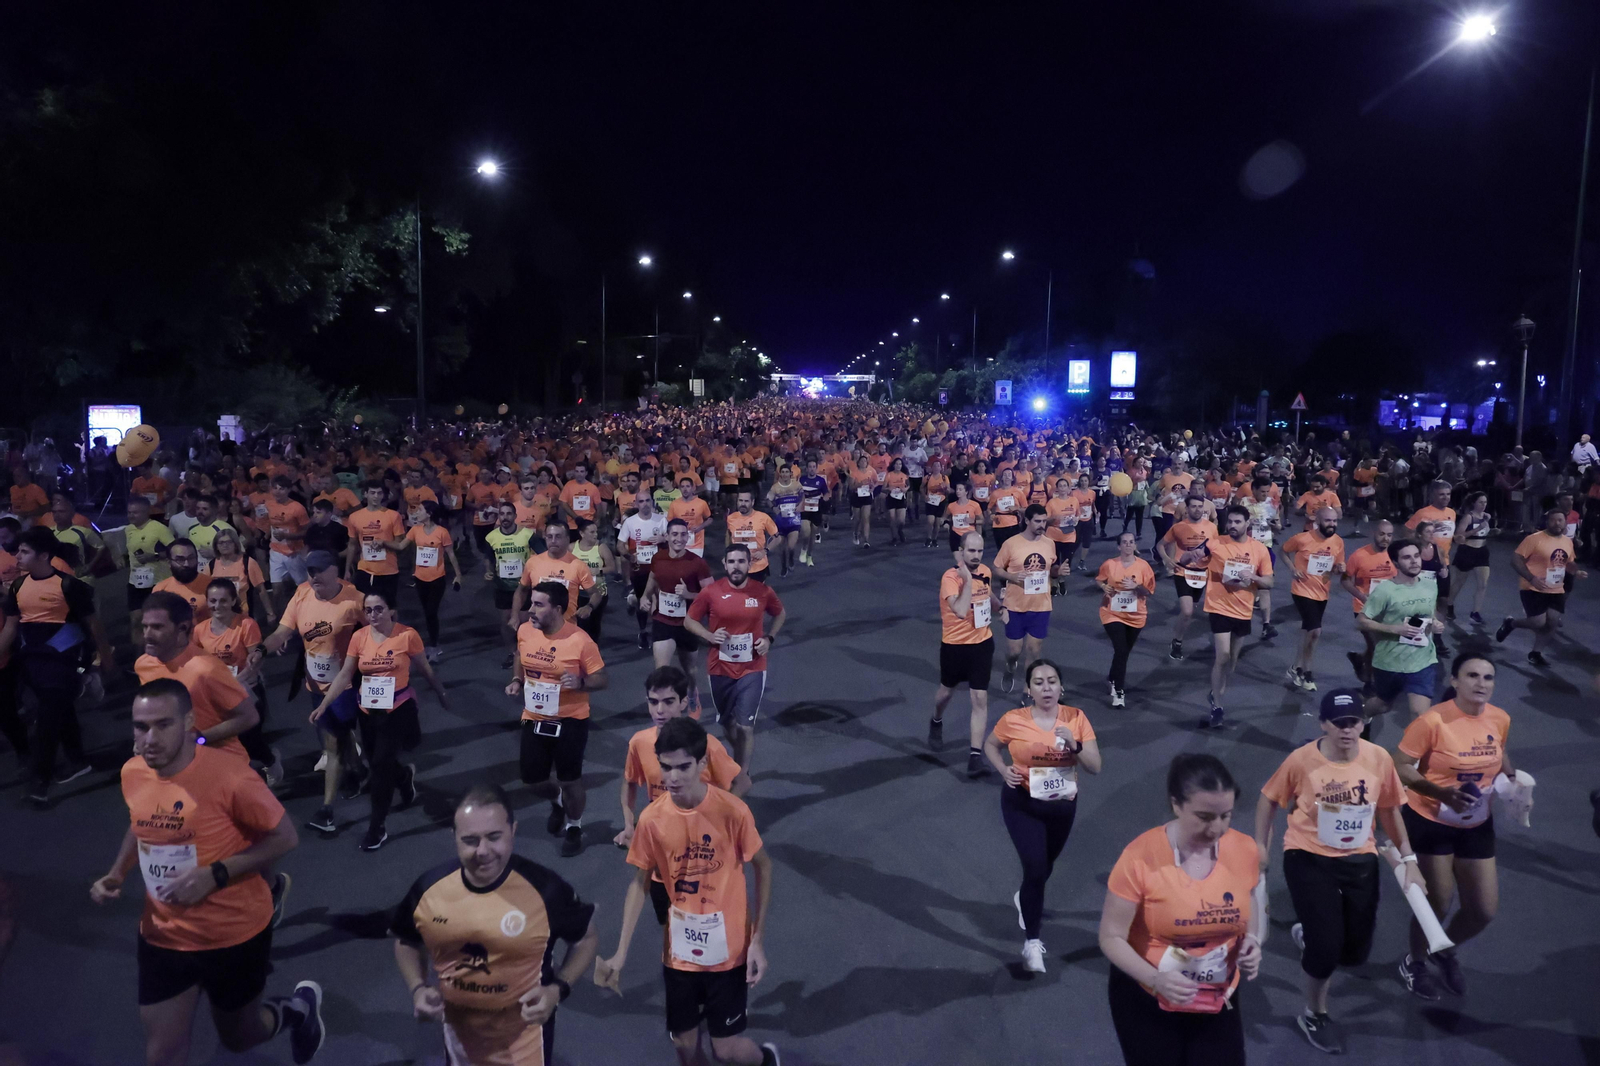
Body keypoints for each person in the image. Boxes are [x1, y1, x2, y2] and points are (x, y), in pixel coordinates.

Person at [89, 679, 325, 1066]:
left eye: (163, 725)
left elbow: (285, 837)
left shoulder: (231, 777)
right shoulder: (134, 772)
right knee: (163, 1054)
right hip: (163, 935)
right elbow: (140, 823)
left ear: (188, 722)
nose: (150, 739)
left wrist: (215, 875)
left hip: (233, 934)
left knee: (240, 1037)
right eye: (141, 727)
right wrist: (117, 872)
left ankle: (299, 1010)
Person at [593, 716, 781, 1066]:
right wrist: (620, 953)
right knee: (684, 1045)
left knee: (725, 1050)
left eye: (683, 767)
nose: (673, 777)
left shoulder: (733, 812)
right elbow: (640, 882)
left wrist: (758, 939)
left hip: (729, 952)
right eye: (666, 767)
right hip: (680, 950)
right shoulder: (652, 820)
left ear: (702, 763)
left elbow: (764, 867)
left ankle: (766, 1059)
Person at [1255, 689, 1426, 1053]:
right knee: (1326, 950)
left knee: (1354, 953)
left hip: (1359, 858)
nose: (1347, 730)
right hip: (1307, 855)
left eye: (1354, 723)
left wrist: (1409, 860)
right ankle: (1314, 1014)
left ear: (1363, 724)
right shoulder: (1302, 760)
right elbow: (1268, 798)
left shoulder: (1378, 758)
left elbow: (1389, 809)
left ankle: (1310, 933)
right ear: (1323, 724)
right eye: (1339, 723)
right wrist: (1260, 848)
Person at [392, 783, 599, 1066]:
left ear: (513, 831)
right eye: (470, 840)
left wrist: (557, 989)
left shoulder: (545, 891)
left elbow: (585, 939)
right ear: (454, 837)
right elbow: (406, 940)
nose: (483, 851)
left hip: (526, 1045)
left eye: (494, 837)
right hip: (459, 1043)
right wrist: (417, 987)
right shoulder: (428, 889)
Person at [1098, 754, 1262, 1066]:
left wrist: (1252, 939)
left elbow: (1249, 900)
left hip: (1217, 994)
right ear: (1176, 805)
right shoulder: (1139, 858)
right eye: (1204, 817)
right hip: (1148, 996)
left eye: (1226, 816)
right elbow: (1111, 937)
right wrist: (1155, 979)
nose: (1216, 829)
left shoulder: (1244, 849)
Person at [1393, 654, 1514, 1001]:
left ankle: (1443, 950)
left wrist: (1514, 780)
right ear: (1455, 681)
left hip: (1476, 823)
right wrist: (1439, 792)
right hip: (1431, 821)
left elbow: (1500, 751)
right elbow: (1399, 765)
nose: (1481, 683)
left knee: (1483, 910)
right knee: (1439, 903)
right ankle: (1415, 961)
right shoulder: (1432, 721)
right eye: (1472, 675)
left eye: (1488, 677)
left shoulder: (1500, 718)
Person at [982, 659, 1102, 973]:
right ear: (1028, 689)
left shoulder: (1076, 718)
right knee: (1035, 867)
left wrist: (1075, 745)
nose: (1046, 688)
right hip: (1022, 803)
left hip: (1062, 806)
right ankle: (1032, 942)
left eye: (1052, 681)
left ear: (1061, 687)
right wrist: (1003, 770)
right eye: (1038, 682)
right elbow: (991, 745)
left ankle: (1026, 896)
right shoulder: (1013, 720)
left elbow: (1095, 766)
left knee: (1044, 866)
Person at [312, 589, 450, 851]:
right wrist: (324, 703)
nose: (373, 614)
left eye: (378, 609)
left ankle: (377, 827)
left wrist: (441, 693)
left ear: (391, 611)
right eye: (368, 610)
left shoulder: (407, 635)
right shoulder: (359, 637)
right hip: (368, 711)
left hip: (397, 709)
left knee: (379, 767)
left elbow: (425, 668)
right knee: (379, 762)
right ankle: (404, 776)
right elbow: (345, 674)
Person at [1, 527, 116, 806]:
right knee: (60, 711)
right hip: (33, 662)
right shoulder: (17, 587)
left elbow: (94, 626)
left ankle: (39, 783)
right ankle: (78, 761)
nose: (17, 556)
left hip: (65, 661)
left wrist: (106, 660)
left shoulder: (68, 586)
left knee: (47, 719)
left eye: (24, 552)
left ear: (43, 555)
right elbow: (11, 628)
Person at [261, 551, 366, 832]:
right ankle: (358, 773)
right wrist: (260, 650)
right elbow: (281, 633)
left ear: (335, 571)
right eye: (310, 570)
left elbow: (377, 632)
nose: (314, 575)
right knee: (340, 736)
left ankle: (328, 808)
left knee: (334, 742)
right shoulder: (301, 594)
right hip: (315, 685)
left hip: (344, 685)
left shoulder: (354, 599)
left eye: (319, 570)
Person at [508, 581, 607, 858]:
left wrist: (581, 682)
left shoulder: (580, 641)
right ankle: (557, 801)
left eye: (538, 604)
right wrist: (517, 679)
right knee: (532, 780)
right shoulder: (525, 630)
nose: (530, 609)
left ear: (558, 609)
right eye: (531, 602)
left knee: (571, 781)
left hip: (570, 720)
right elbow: (520, 655)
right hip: (534, 716)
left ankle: (574, 826)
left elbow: (602, 678)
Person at [616, 666, 751, 852]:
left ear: (683, 702)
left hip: (702, 836)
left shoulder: (707, 745)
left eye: (668, 702)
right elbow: (629, 781)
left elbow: (743, 782)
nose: (660, 710)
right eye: (653, 702)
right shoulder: (639, 743)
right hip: (663, 830)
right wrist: (629, 824)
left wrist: (718, 816)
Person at [683, 543, 786, 775]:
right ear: (724, 564)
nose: (736, 566)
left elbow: (780, 613)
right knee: (727, 722)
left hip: (753, 667)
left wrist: (769, 638)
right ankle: (739, 758)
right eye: (731, 562)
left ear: (749, 564)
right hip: (719, 668)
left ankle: (742, 773)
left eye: (741, 561)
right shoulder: (711, 592)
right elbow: (689, 621)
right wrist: (709, 635)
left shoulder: (762, 591)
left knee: (745, 726)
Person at [1180, 504, 1274, 728]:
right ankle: (1217, 705)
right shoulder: (1214, 543)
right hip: (1218, 606)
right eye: (1230, 521)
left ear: (1247, 524)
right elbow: (1184, 561)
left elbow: (1270, 582)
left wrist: (1253, 577)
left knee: (1231, 662)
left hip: (1243, 609)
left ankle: (1216, 694)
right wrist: (1190, 555)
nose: (1232, 525)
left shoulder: (1260, 550)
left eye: (1237, 522)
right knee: (1222, 655)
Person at [194, 578, 279, 785]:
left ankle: (271, 761)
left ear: (233, 601)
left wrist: (233, 683)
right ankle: (241, 784)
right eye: (213, 601)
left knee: (250, 741)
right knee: (229, 743)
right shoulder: (200, 630)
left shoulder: (246, 625)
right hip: (216, 695)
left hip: (247, 690)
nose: (217, 606)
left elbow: (254, 663)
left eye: (223, 601)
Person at [932, 531, 1005, 775]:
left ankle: (975, 757)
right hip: (954, 647)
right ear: (961, 551)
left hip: (981, 643)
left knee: (980, 698)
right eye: (971, 551)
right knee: (945, 693)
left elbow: (987, 591)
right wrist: (967, 580)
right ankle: (936, 720)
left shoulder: (984, 571)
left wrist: (1000, 607)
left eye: (980, 551)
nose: (976, 556)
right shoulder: (950, 578)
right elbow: (961, 611)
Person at [1357, 538, 1442, 731]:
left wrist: (1435, 623)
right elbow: (1361, 621)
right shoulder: (1385, 590)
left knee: (1420, 715)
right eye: (1407, 558)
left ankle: (1413, 751)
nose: (1414, 561)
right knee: (1383, 704)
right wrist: (1394, 629)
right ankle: (1363, 714)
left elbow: (1430, 613)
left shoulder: (1430, 585)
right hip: (1390, 661)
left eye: (1416, 556)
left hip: (1423, 661)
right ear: (1396, 563)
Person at [1496, 507, 1586, 667]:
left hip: (1556, 588)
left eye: (1560, 520)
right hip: (1533, 587)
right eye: (1553, 520)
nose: (1557, 523)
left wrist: (1576, 571)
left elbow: (1568, 562)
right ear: (1547, 522)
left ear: (1565, 522)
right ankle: (1511, 624)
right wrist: (1531, 578)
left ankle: (1536, 653)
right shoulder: (1534, 539)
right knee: (1538, 622)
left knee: (1552, 621)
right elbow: (1515, 560)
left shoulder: (1567, 541)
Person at [991, 505, 1056, 693]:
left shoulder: (1049, 543)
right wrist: (1011, 577)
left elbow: (1050, 569)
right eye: (1037, 521)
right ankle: (1010, 666)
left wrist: (1059, 571)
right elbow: (996, 568)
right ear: (1027, 521)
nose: (1042, 525)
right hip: (1015, 606)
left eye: (1044, 521)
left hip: (1041, 605)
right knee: (1014, 651)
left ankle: (1028, 690)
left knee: (1034, 651)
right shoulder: (1011, 544)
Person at [1281, 507, 1346, 693]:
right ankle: (1307, 672)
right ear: (1318, 521)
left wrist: (1340, 569)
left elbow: (1336, 567)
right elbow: (1283, 551)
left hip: (1322, 592)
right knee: (1315, 631)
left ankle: (1295, 667)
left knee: (1307, 631)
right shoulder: (1302, 538)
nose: (1332, 524)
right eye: (1328, 520)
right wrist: (1293, 569)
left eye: (1334, 521)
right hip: (1301, 590)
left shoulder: (1338, 542)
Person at [1096, 532, 1156, 707]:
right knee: (1121, 650)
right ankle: (1119, 692)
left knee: (1123, 652)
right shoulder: (1110, 564)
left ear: (1135, 545)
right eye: (1124, 542)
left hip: (1136, 616)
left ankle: (1112, 678)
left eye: (1131, 542)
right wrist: (1104, 587)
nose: (1128, 545)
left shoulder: (1144, 567)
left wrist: (1137, 586)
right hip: (1112, 613)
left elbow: (1149, 592)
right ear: (1119, 546)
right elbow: (1099, 580)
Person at [1156, 495, 1217, 662]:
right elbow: (1160, 545)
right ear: (1187, 509)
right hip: (1182, 571)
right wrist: (1167, 559)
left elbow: (1215, 549)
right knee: (1187, 611)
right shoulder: (1179, 527)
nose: (1197, 510)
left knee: (1191, 610)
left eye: (1200, 506)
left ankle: (1177, 637)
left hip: (1202, 573)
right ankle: (1177, 642)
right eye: (1194, 506)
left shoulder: (1212, 528)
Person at [512, 521, 597, 630]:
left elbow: (595, 593)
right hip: (537, 626)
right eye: (549, 536)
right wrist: (514, 615)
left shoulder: (578, 565)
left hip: (566, 627)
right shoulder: (533, 562)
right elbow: (521, 590)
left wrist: (589, 607)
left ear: (567, 539)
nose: (553, 541)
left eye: (558, 537)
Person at [405, 499, 461, 661]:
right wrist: (383, 543)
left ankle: (435, 646)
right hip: (420, 578)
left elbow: (451, 554)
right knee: (428, 613)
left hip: (437, 579)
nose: (417, 512)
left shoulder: (442, 532)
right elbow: (401, 546)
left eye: (420, 510)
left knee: (431, 611)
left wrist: (458, 575)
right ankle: (433, 642)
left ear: (429, 514)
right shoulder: (415, 530)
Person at [485, 503, 536, 666]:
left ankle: (525, 653)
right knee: (506, 622)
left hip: (523, 586)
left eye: (508, 514)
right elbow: (489, 558)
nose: (505, 517)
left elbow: (543, 553)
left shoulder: (527, 534)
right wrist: (488, 571)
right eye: (502, 514)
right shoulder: (491, 537)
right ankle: (512, 653)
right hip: (503, 587)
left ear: (515, 516)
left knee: (524, 622)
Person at [620, 488, 669, 649]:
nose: (645, 504)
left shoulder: (661, 520)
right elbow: (620, 544)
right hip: (639, 568)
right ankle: (642, 631)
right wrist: (629, 556)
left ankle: (658, 630)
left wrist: (663, 538)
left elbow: (673, 538)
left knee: (660, 599)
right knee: (643, 601)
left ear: (652, 502)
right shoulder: (630, 522)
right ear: (636, 504)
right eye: (641, 501)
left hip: (659, 567)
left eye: (648, 500)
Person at [344, 481, 408, 603]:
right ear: (365, 494)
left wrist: (383, 542)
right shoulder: (354, 517)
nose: (376, 496)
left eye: (379, 493)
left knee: (389, 606)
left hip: (388, 568)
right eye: (372, 493)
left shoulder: (393, 516)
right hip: (364, 569)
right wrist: (347, 569)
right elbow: (352, 544)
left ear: (383, 495)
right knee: (364, 605)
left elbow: (400, 544)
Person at [124, 494, 175, 638]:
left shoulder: (159, 529)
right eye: (129, 512)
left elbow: (174, 550)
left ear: (146, 512)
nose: (131, 516)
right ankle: (139, 651)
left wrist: (154, 556)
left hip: (157, 582)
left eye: (135, 512)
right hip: (135, 582)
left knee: (159, 621)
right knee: (136, 621)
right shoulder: (128, 530)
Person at [205, 527, 274, 628]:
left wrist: (270, 613)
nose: (225, 545)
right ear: (216, 546)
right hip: (218, 617)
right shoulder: (211, 565)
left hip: (243, 616)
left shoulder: (248, 562)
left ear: (235, 544)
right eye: (221, 543)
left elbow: (261, 590)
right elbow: (204, 591)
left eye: (229, 542)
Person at [1445, 493, 1492, 626]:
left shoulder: (1486, 517)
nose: (1483, 505)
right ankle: (1449, 604)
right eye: (1480, 502)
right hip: (1467, 551)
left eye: (1485, 502)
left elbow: (1484, 533)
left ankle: (1475, 613)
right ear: (1474, 503)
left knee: (1483, 584)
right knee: (1459, 581)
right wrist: (1477, 529)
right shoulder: (1468, 517)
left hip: (1482, 552)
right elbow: (1459, 536)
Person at [570, 519, 615, 644]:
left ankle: (593, 647)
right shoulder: (572, 548)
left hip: (598, 591)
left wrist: (599, 570)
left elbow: (612, 567)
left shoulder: (601, 547)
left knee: (594, 623)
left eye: (596, 532)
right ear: (582, 533)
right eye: (592, 532)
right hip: (578, 592)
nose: (595, 535)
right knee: (580, 623)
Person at [154, 539, 215, 624]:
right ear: (169, 562)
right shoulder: (160, 589)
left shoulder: (213, 586)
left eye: (191, 558)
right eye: (180, 560)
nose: (187, 564)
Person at [725, 491, 780, 583]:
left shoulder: (763, 517)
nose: (743, 504)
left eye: (746, 501)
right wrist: (727, 554)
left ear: (752, 502)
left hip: (758, 566)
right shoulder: (731, 518)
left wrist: (765, 551)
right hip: (738, 566)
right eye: (740, 500)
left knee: (757, 592)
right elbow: (729, 536)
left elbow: (777, 538)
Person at [767, 464, 805, 572]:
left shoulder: (796, 485)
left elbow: (803, 495)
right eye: (782, 472)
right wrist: (773, 508)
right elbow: (768, 499)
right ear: (780, 474)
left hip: (794, 520)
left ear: (790, 474)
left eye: (786, 472)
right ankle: (784, 566)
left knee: (791, 546)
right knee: (782, 548)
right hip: (781, 521)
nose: (784, 474)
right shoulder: (775, 487)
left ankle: (791, 558)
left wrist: (800, 505)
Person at [943, 481, 984, 551]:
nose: (957, 491)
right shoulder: (951, 506)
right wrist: (946, 523)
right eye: (957, 489)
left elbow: (982, 520)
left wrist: (973, 521)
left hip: (969, 535)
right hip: (955, 534)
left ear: (966, 492)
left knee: (967, 555)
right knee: (958, 556)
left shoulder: (975, 505)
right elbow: (944, 517)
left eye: (960, 489)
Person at [848, 453, 877, 548]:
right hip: (857, 496)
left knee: (866, 518)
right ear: (858, 463)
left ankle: (866, 540)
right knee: (857, 519)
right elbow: (851, 487)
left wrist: (872, 487)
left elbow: (875, 482)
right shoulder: (854, 473)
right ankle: (856, 532)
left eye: (865, 461)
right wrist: (860, 484)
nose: (864, 462)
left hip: (867, 496)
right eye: (862, 461)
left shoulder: (871, 472)